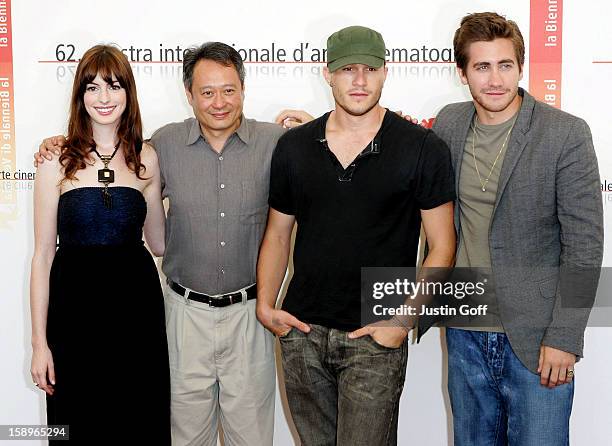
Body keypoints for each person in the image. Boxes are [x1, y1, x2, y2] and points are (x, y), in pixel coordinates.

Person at [34, 42, 312, 446]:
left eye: (229, 90)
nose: (219, 102)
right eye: (207, 91)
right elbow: (47, 252)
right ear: (189, 94)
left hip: (228, 316)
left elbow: (157, 240)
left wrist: (313, 128)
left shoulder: (272, 144)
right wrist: (57, 143)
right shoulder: (159, 146)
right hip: (166, 316)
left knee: (239, 436)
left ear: (244, 89)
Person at [256, 26, 456, 445]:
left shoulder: (421, 147)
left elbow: (442, 246)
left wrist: (402, 322)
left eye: (370, 68)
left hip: (375, 335)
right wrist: (266, 305)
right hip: (303, 331)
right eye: (348, 69)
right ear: (328, 74)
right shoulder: (295, 146)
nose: (360, 80)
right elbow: (277, 234)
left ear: (386, 73)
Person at [428, 12, 603, 445]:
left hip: (537, 337)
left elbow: (584, 246)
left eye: (505, 65)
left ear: (521, 67)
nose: (495, 80)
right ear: (462, 73)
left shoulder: (565, 134)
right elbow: (390, 146)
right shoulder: (448, 123)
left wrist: (564, 336)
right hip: (466, 328)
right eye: (481, 66)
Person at [29, 45, 170, 443]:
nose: (104, 98)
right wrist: (39, 345)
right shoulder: (54, 161)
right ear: (80, 97)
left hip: (136, 316)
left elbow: (158, 242)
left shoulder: (148, 158)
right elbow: (42, 256)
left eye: (113, 86)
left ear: (129, 91)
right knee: (74, 424)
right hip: (73, 316)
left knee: (138, 422)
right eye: (92, 88)